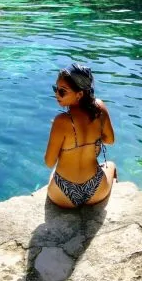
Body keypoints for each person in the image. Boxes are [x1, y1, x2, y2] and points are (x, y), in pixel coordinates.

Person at [44, 63, 117, 208]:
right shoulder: (99, 108)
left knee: (53, 173)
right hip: (96, 190)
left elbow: (49, 162)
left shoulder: (61, 121)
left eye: (62, 91)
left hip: (63, 194)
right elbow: (110, 140)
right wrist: (93, 140)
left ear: (79, 94)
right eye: (56, 89)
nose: (56, 94)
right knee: (111, 166)